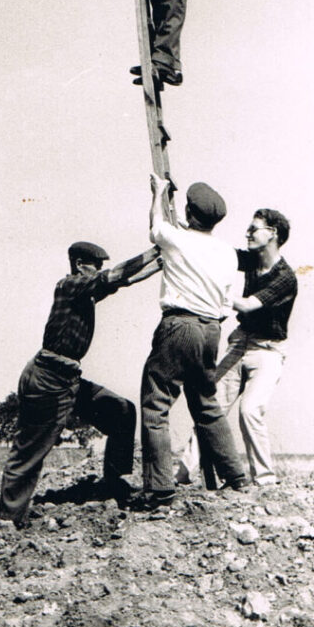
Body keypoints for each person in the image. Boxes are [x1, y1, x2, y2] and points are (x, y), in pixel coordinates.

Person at [0, 240, 162, 529]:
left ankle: (113, 482)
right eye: (95, 265)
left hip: (68, 377)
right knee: (31, 449)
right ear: (79, 264)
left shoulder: (87, 292)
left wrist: (161, 263)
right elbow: (116, 275)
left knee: (122, 411)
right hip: (48, 379)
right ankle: (7, 517)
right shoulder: (70, 285)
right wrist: (153, 251)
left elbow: (125, 280)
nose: (100, 269)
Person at [130, 173, 248, 512]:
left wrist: (157, 193)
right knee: (206, 403)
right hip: (212, 329)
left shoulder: (178, 239)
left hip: (179, 324)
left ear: (190, 212)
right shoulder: (227, 253)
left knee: (155, 403)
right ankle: (236, 477)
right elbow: (227, 304)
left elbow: (156, 228)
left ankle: (160, 489)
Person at [178, 209, 298, 487]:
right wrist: (192, 231)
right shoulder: (252, 260)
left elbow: (246, 304)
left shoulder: (286, 278)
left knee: (250, 410)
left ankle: (265, 480)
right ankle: (182, 474)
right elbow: (219, 252)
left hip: (267, 352)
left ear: (273, 234)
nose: (247, 233)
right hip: (240, 341)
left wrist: (211, 289)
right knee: (210, 409)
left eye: (254, 229)